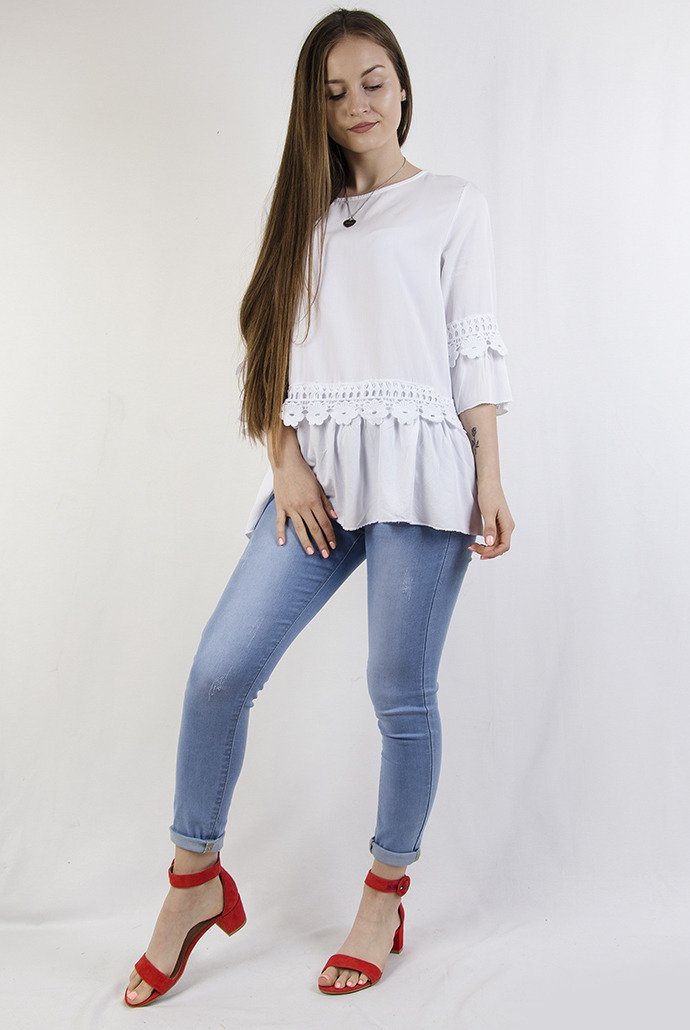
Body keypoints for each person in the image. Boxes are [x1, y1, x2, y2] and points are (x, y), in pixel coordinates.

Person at [124, 7, 515, 1008]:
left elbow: (472, 348)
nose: (358, 105)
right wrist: (285, 462)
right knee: (219, 672)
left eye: (373, 82)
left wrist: (490, 474)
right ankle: (193, 879)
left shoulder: (453, 204)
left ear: (403, 84)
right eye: (335, 92)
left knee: (399, 691)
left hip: (422, 472)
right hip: (318, 476)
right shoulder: (303, 211)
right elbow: (271, 346)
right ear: (316, 106)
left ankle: (386, 892)